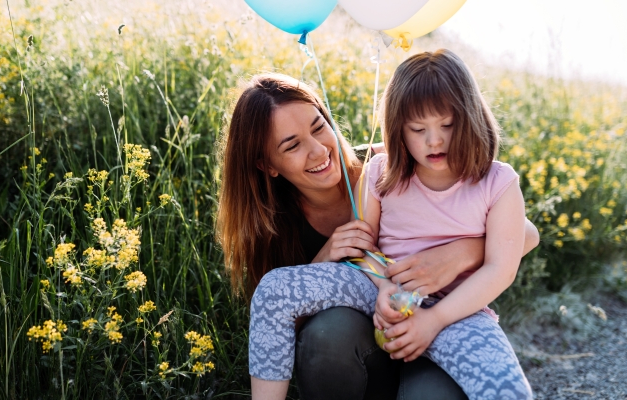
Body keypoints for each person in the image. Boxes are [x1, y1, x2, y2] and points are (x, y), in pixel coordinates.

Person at [216, 70, 539, 399]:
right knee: (311, 321)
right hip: (363, 330)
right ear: (266, 165)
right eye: (292, 145)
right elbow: (286, 328)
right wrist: (328, 258)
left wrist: (460, 254)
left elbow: (525, 235)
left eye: (319, 127)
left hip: (446, 313)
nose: (317, 150)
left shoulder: (399, 159)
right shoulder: (273, 222)